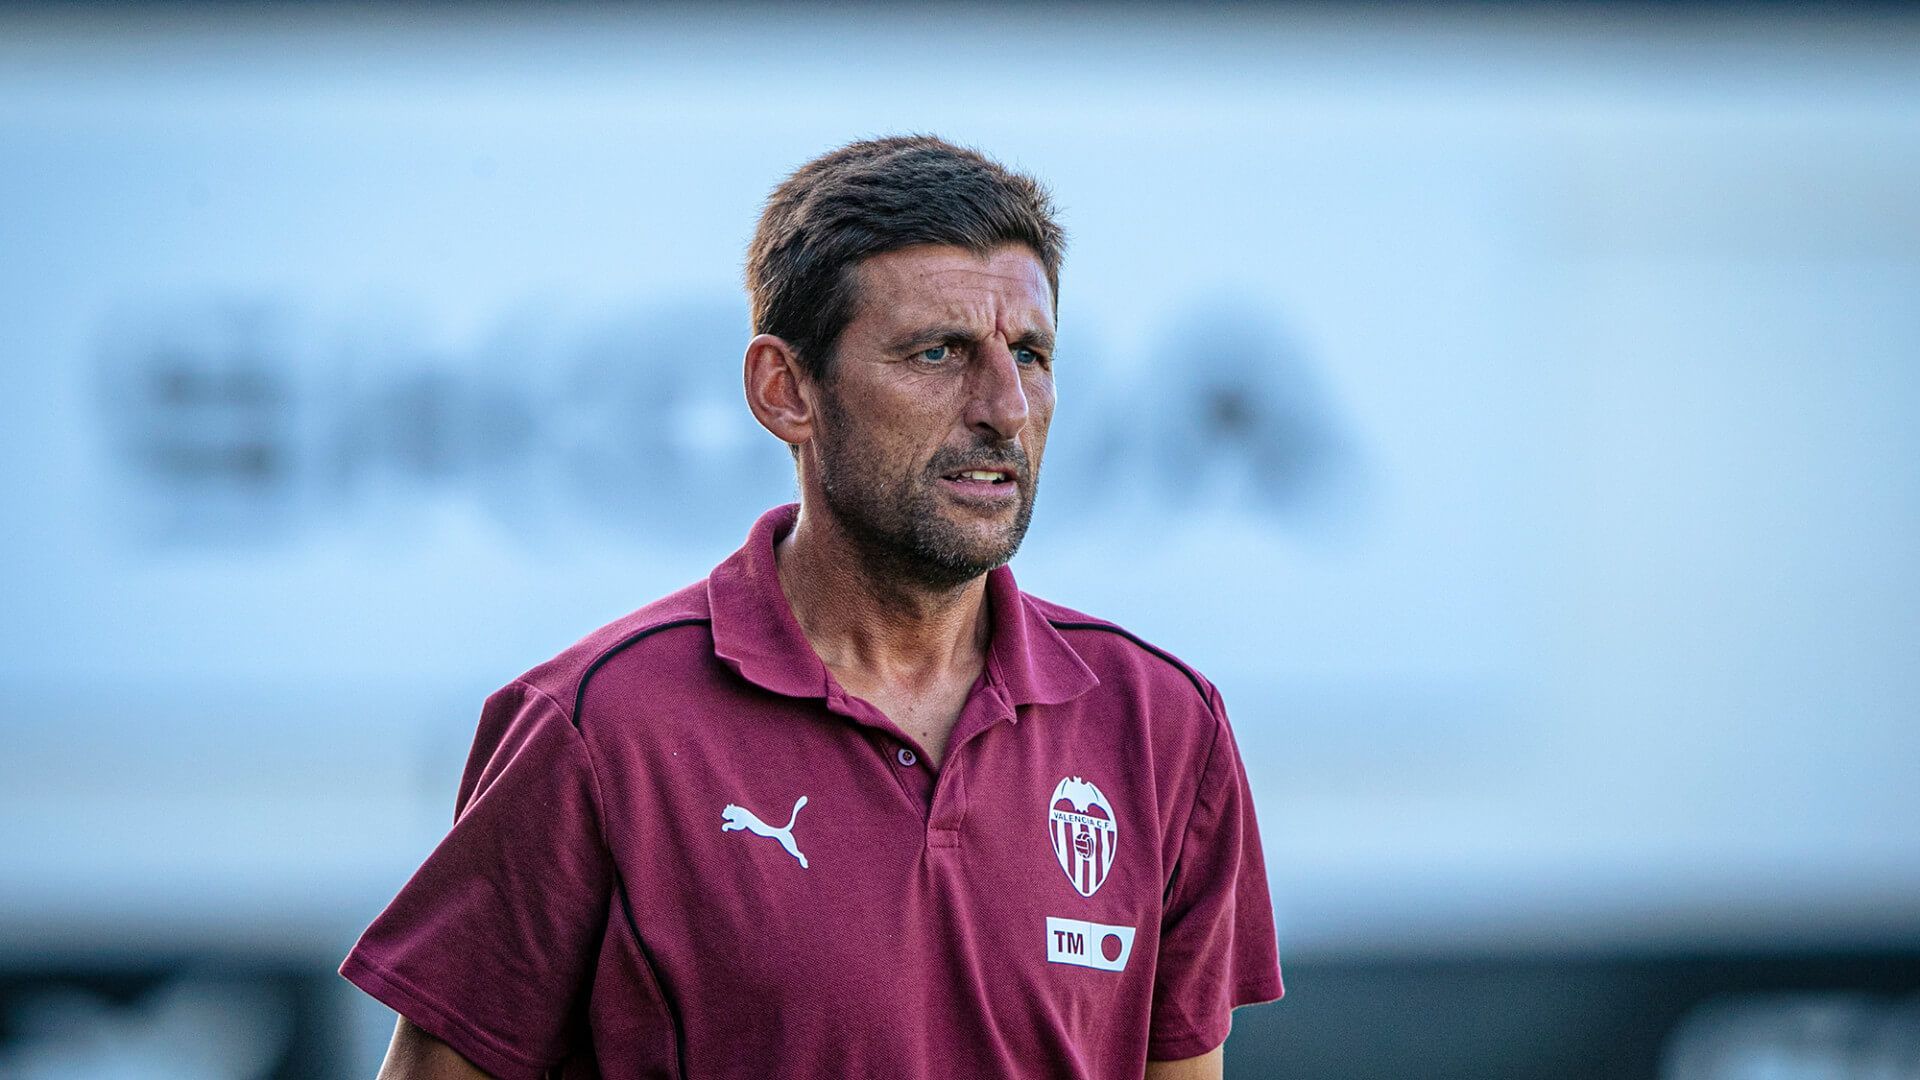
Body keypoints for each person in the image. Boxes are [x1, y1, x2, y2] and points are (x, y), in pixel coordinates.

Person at [342, 135, 1283, 1079]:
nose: (1004, 405)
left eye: (1030, 354)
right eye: (938, 351)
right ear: (784, 391)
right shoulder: (598, 725)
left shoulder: (1162, 725)